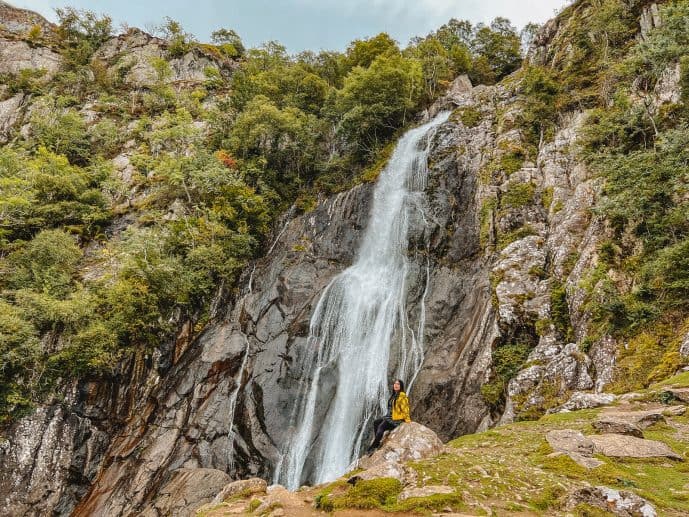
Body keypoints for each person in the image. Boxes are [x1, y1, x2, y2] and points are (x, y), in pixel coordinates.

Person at [367, 379, 411, 453]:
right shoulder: (394, 395)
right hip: (389, 417)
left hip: (396, 420)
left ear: (401, 386)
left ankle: (373, 446)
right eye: (395, 384)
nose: (396, 385)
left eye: (398, 384)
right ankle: (377, 442)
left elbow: (405, 409)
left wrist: (408, 420)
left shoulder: (402, 396)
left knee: (381, 426)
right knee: (376, 422)